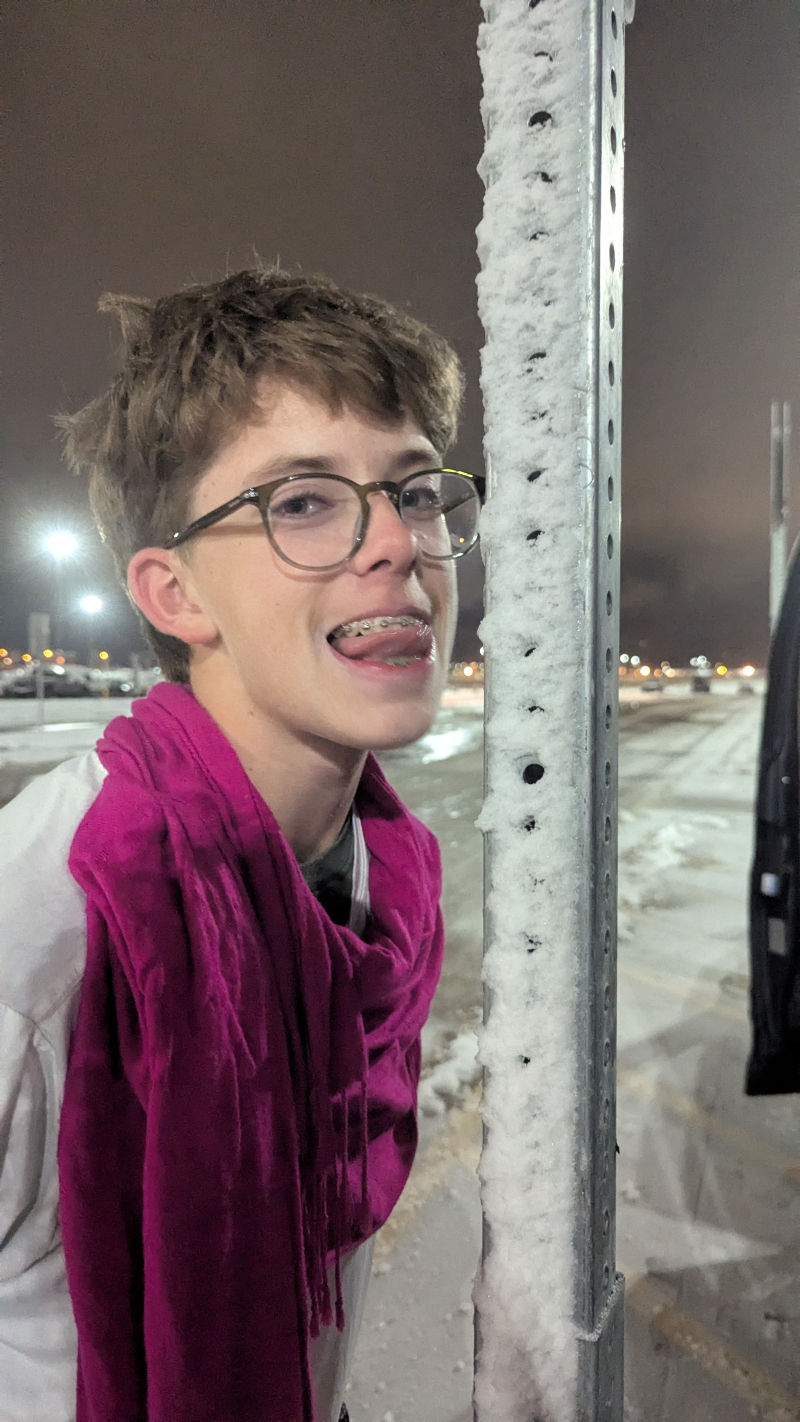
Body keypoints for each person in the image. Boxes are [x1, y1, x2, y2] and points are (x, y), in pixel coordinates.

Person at [0, 268, 483, 1422]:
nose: (396, 544)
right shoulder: (46, 938)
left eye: (415, 492)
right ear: (174, 594)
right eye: (303, 502)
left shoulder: (383, 880)